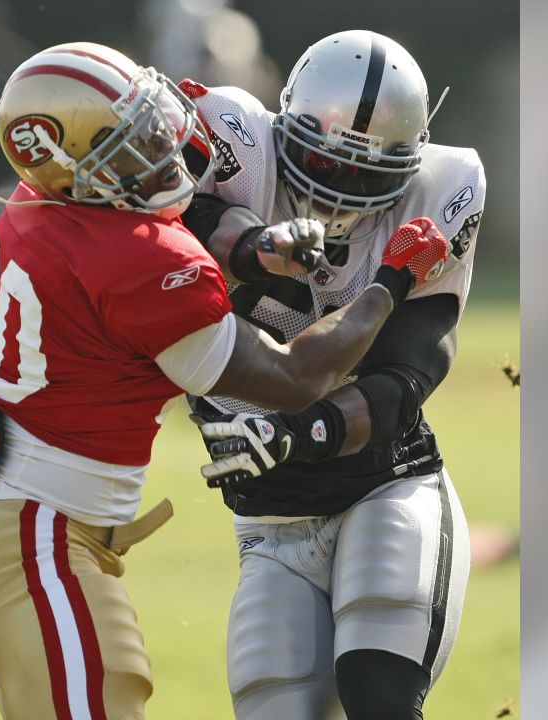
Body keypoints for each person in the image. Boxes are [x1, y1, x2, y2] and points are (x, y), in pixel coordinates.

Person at [0, 42, 451, 720]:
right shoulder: (143, 260)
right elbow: (299, 377)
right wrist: (390, 280)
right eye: (128, 145)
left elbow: (172, 225)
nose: (161, 144)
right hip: (35, 541)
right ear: (80, 174)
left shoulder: (35, 206)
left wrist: (261, 246)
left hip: (29, 533)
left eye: (152, 120)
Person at [177, 30, 487, 719]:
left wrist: (297, 436)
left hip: (383, 489)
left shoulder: (438, 192)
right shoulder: (237, 147)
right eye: (324, 162)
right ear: (281, 128)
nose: (339, 189)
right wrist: (259, 247)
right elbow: (188, 219)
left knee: (378, 696)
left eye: (366, 175)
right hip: (268, 525)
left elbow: (406, 380)